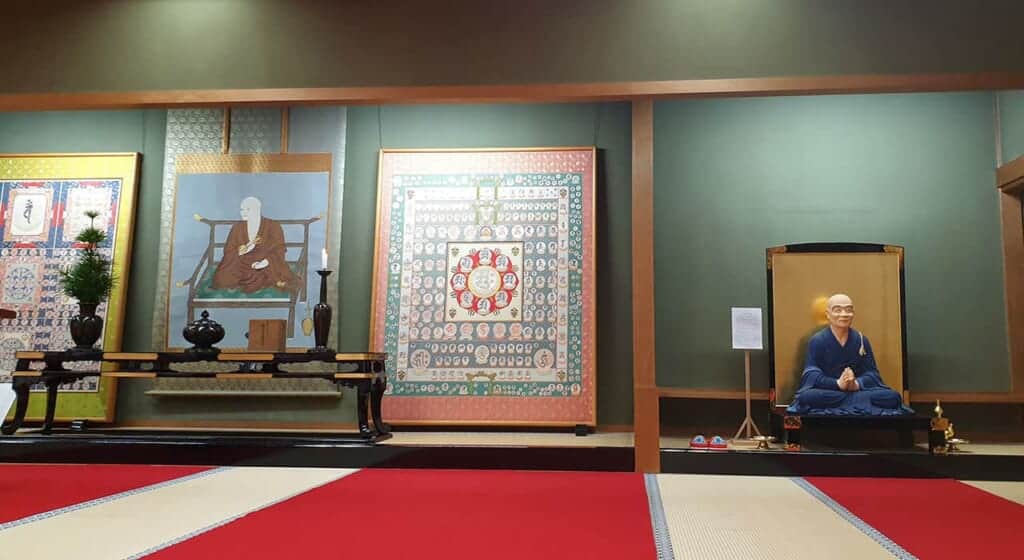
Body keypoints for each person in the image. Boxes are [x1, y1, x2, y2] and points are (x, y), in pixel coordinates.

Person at [786, 293, 913, 416]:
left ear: (853, 314)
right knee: (807, 397)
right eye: (838, 310)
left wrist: (856, 384)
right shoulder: (818, 340)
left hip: (855, 392)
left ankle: (851, 404)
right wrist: (838, 384)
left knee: (893, 397)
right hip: (830, 392)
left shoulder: (861, 340)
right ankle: (858, 405)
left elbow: (872, 374)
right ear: (828, 314)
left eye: (848, 310)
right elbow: (811, 374)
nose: (844, 314)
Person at [211, 196, 298, 293]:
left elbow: (279, 250)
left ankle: (267, 277)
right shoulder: (237, 227)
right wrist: (241, 251)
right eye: (242, 209)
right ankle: (263, 278)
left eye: (247, 209)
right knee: (222, 278)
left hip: (265, 264)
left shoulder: (273, 226)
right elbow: (228, 251)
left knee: (259, 275)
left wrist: (265, 262)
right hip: (241, 263)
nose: (243, 212)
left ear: (257, 210)